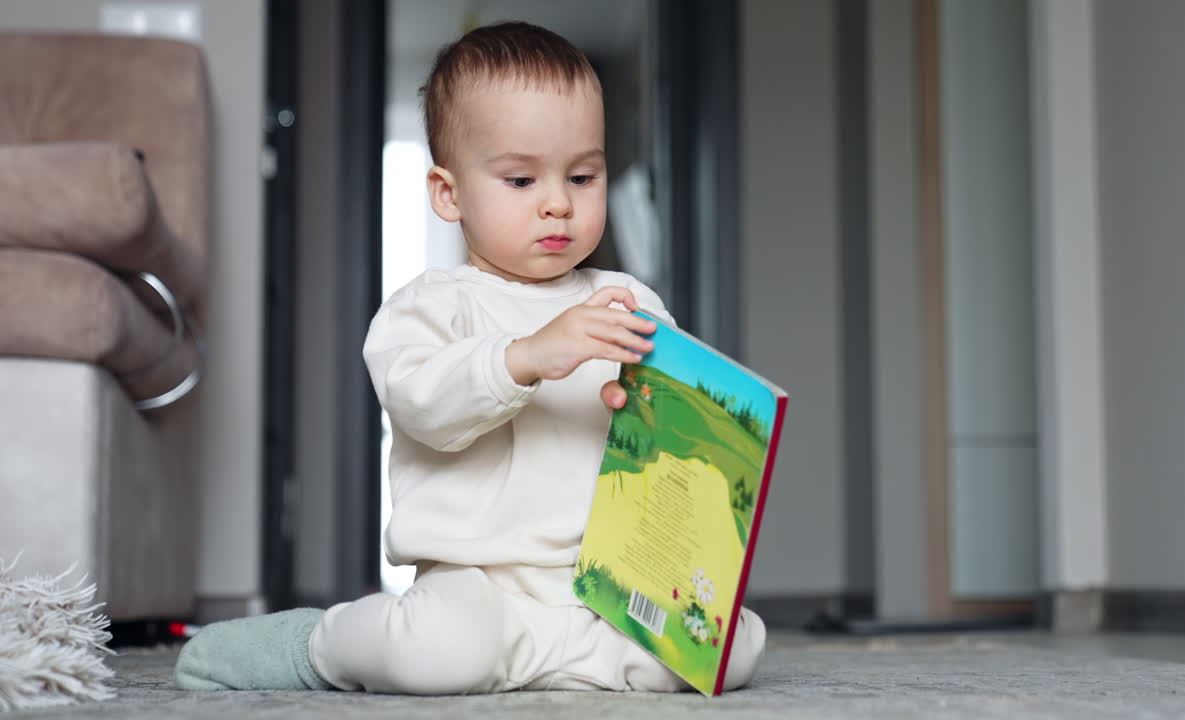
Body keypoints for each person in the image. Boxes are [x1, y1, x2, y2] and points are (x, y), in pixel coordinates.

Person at [174, 21, 765, 695]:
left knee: (724, 651)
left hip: (598, 585)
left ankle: (564, 664)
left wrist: (666, 418)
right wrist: (528, 356)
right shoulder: (431, 307)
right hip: (479, 590)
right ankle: (316, 644)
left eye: (582, 175)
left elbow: (670, 436)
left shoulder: (628, 300)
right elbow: (424, 404)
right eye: (520, 179)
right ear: (448, 193)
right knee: (444, 654)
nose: (557, 203)